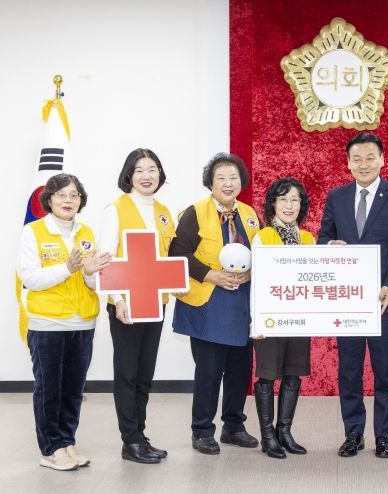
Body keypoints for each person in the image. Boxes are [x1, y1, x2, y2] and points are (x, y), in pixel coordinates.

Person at [318, 133, 388, 459]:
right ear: (348, 163)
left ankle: (383, 436)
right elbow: (323, 239)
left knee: (385, 372)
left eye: (370, 157)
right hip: (348, 300)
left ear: (382, 160)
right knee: (349, 371)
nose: (363, 164)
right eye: (356, 159)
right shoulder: (337, 197)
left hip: (385, 301)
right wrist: (330, 245)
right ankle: (353, 434)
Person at [16, 174, 111, 471]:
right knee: (49, 390)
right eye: (60, 195)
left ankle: (67, 442)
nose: (68, 200)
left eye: (74, 195)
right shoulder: (33, 232)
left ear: (80, 200)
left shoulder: (87, 232)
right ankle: (50, 449)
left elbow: (93, 282)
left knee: (73, 389)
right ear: (49, 199)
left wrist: (89, 273)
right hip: (48, 323)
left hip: (82, 323)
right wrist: (67, 268)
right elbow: (30, 278)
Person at [169, 152, 261, 455]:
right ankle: (202, 430)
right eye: (221, 177)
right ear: (210, 182)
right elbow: (178, 253)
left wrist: (252, 272)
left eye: (233, 177)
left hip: (242, 305)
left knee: (240, 370)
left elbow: (262, 251)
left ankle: (233, 426)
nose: (228, 183)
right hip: (208, 303)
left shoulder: (249, 214)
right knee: (209, 371)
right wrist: (212, 275)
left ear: (241, 182)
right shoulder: (194, 213)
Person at [98, 148, 174, 463]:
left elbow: (170, 259)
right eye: (139, 169)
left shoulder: (164, 212)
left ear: (160, 174)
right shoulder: (115, 209)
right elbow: (105, 260)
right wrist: (117, 300)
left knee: (144, 374)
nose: (146, 175)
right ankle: (130, 441)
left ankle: (140, 435)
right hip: (126, 305)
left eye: (152, 169)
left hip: (155, 302)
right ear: (129, 175)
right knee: (127, 374)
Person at [251, 177, 314, 459]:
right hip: (270, 318)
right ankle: (267, 436)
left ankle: (284, 432)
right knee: (267, 375)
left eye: (294, 200)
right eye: (283, 199)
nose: (289, 206)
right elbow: (256, 282)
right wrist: (256, 320)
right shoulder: (263, 236)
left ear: (301, 205)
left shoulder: (308, 239)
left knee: (292, 373)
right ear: (273, 204)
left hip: (299, 317)